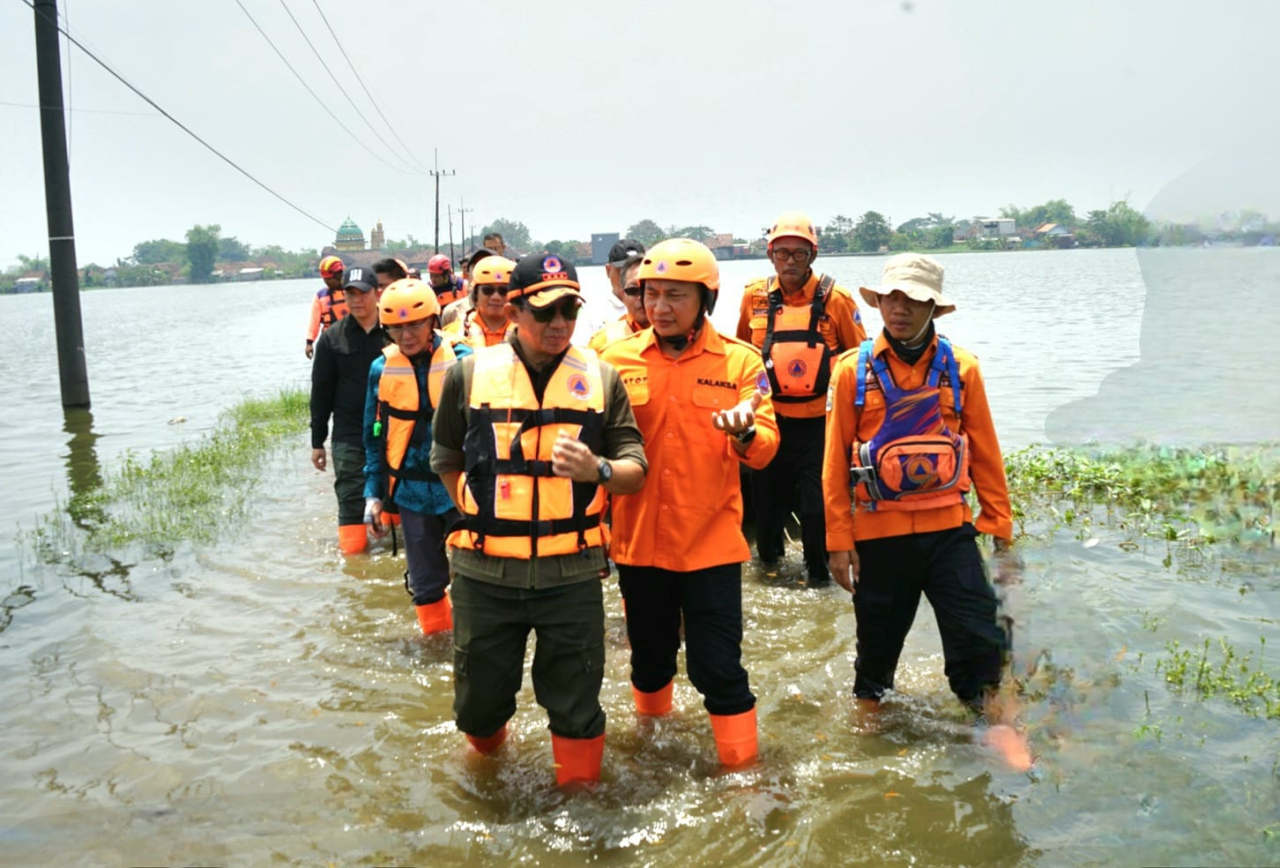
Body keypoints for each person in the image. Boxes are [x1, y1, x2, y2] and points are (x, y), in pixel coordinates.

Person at [430, 252, 647, 785]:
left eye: (569, 312)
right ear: (515, 309)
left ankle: (578, 808)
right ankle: (486, 777)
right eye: (546, 312)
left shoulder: (602, 379)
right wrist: (478, 512)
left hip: (571, 574)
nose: (559, 325)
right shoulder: (467, 374)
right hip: (485, 576)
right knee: (478, 705)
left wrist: (595, 469)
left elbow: (635, 468)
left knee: (577, 706)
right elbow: (444, 457)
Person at [821, 253, 1029, 770]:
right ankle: (868, 715)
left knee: (979, 632)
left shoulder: (963, 369)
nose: (902, 308)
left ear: (933, 307)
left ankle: (995, 723)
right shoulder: (851, 371)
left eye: (915, 300)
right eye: (893, 297)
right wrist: (838, 542)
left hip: (949, 530)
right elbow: (831, 465)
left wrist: (999, 525)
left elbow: (985, 451)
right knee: (878, 640)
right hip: (878, 533)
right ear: (879, 301)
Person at [602, 239, 779, 767]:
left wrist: (745, 434)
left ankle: (743, 772)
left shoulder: (741, 362)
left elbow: (767, 449)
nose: (659, 307)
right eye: (651, 294)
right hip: (638, 545)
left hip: (712, 548)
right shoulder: (612, 360)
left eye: (675, 296)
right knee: (650, 664)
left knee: (719, 669)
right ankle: (651, 750)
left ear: (707, 299)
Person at [737, 210, 866, 585]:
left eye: (798, 253)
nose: (790, 261)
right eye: (782, 253)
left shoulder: (837, 299)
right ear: (770, 255)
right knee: (767, 509)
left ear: (812, 255)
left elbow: (861, 360)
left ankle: (820, 578)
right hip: (770, 421)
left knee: (816, 510)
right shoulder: (753, 297)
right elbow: (743, 358)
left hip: (819, 426)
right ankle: (769, 570)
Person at [363, 278, 471, 634]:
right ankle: (437, 647)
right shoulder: (380, 370)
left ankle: (476, 643)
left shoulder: (463, 360)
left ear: (432, 322)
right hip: (411, 494)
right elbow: (374, 436)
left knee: (477, 572)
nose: (406, 335)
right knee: (425, 584)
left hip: (461, 488)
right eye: (396, 328)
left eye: (414, 325)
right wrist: (373, 494)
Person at [310, 265, 390, 554]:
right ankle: (354, 559)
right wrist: (317, 441)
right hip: (349, 433)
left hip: (394, 430)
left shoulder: (396, 332)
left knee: (397, 495)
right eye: (350, 294)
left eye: (363, 293)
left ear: (377, 293)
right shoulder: (332, 338)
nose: (356, 300)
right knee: (350, 495)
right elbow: (321, 391)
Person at [443, 256, 517, 348]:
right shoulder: (452, 333)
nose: (496, 297)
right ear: (476, 294)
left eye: (504, 291)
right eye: (488, 290)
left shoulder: (529, 334)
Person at [586, 257, 647, 352]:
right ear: (623, 295)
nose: (641, 297)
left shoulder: (675, 338)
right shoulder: (603, 342)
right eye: (633, 290)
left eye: (648, 289)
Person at [441, 247, 499, 328]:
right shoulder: (451, 312)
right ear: (468, 273)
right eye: (477, 266)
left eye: (488, 265)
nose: (482, 270)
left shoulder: (511, 311)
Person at [306, 255, 349, 359]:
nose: (327, 282)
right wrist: (309, 342)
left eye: (329, 279)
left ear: (339, 274)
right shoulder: (320, 296)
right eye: (325, 280)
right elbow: (314, 320)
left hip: (351, 339)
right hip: (329, 341)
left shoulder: (352, 292)